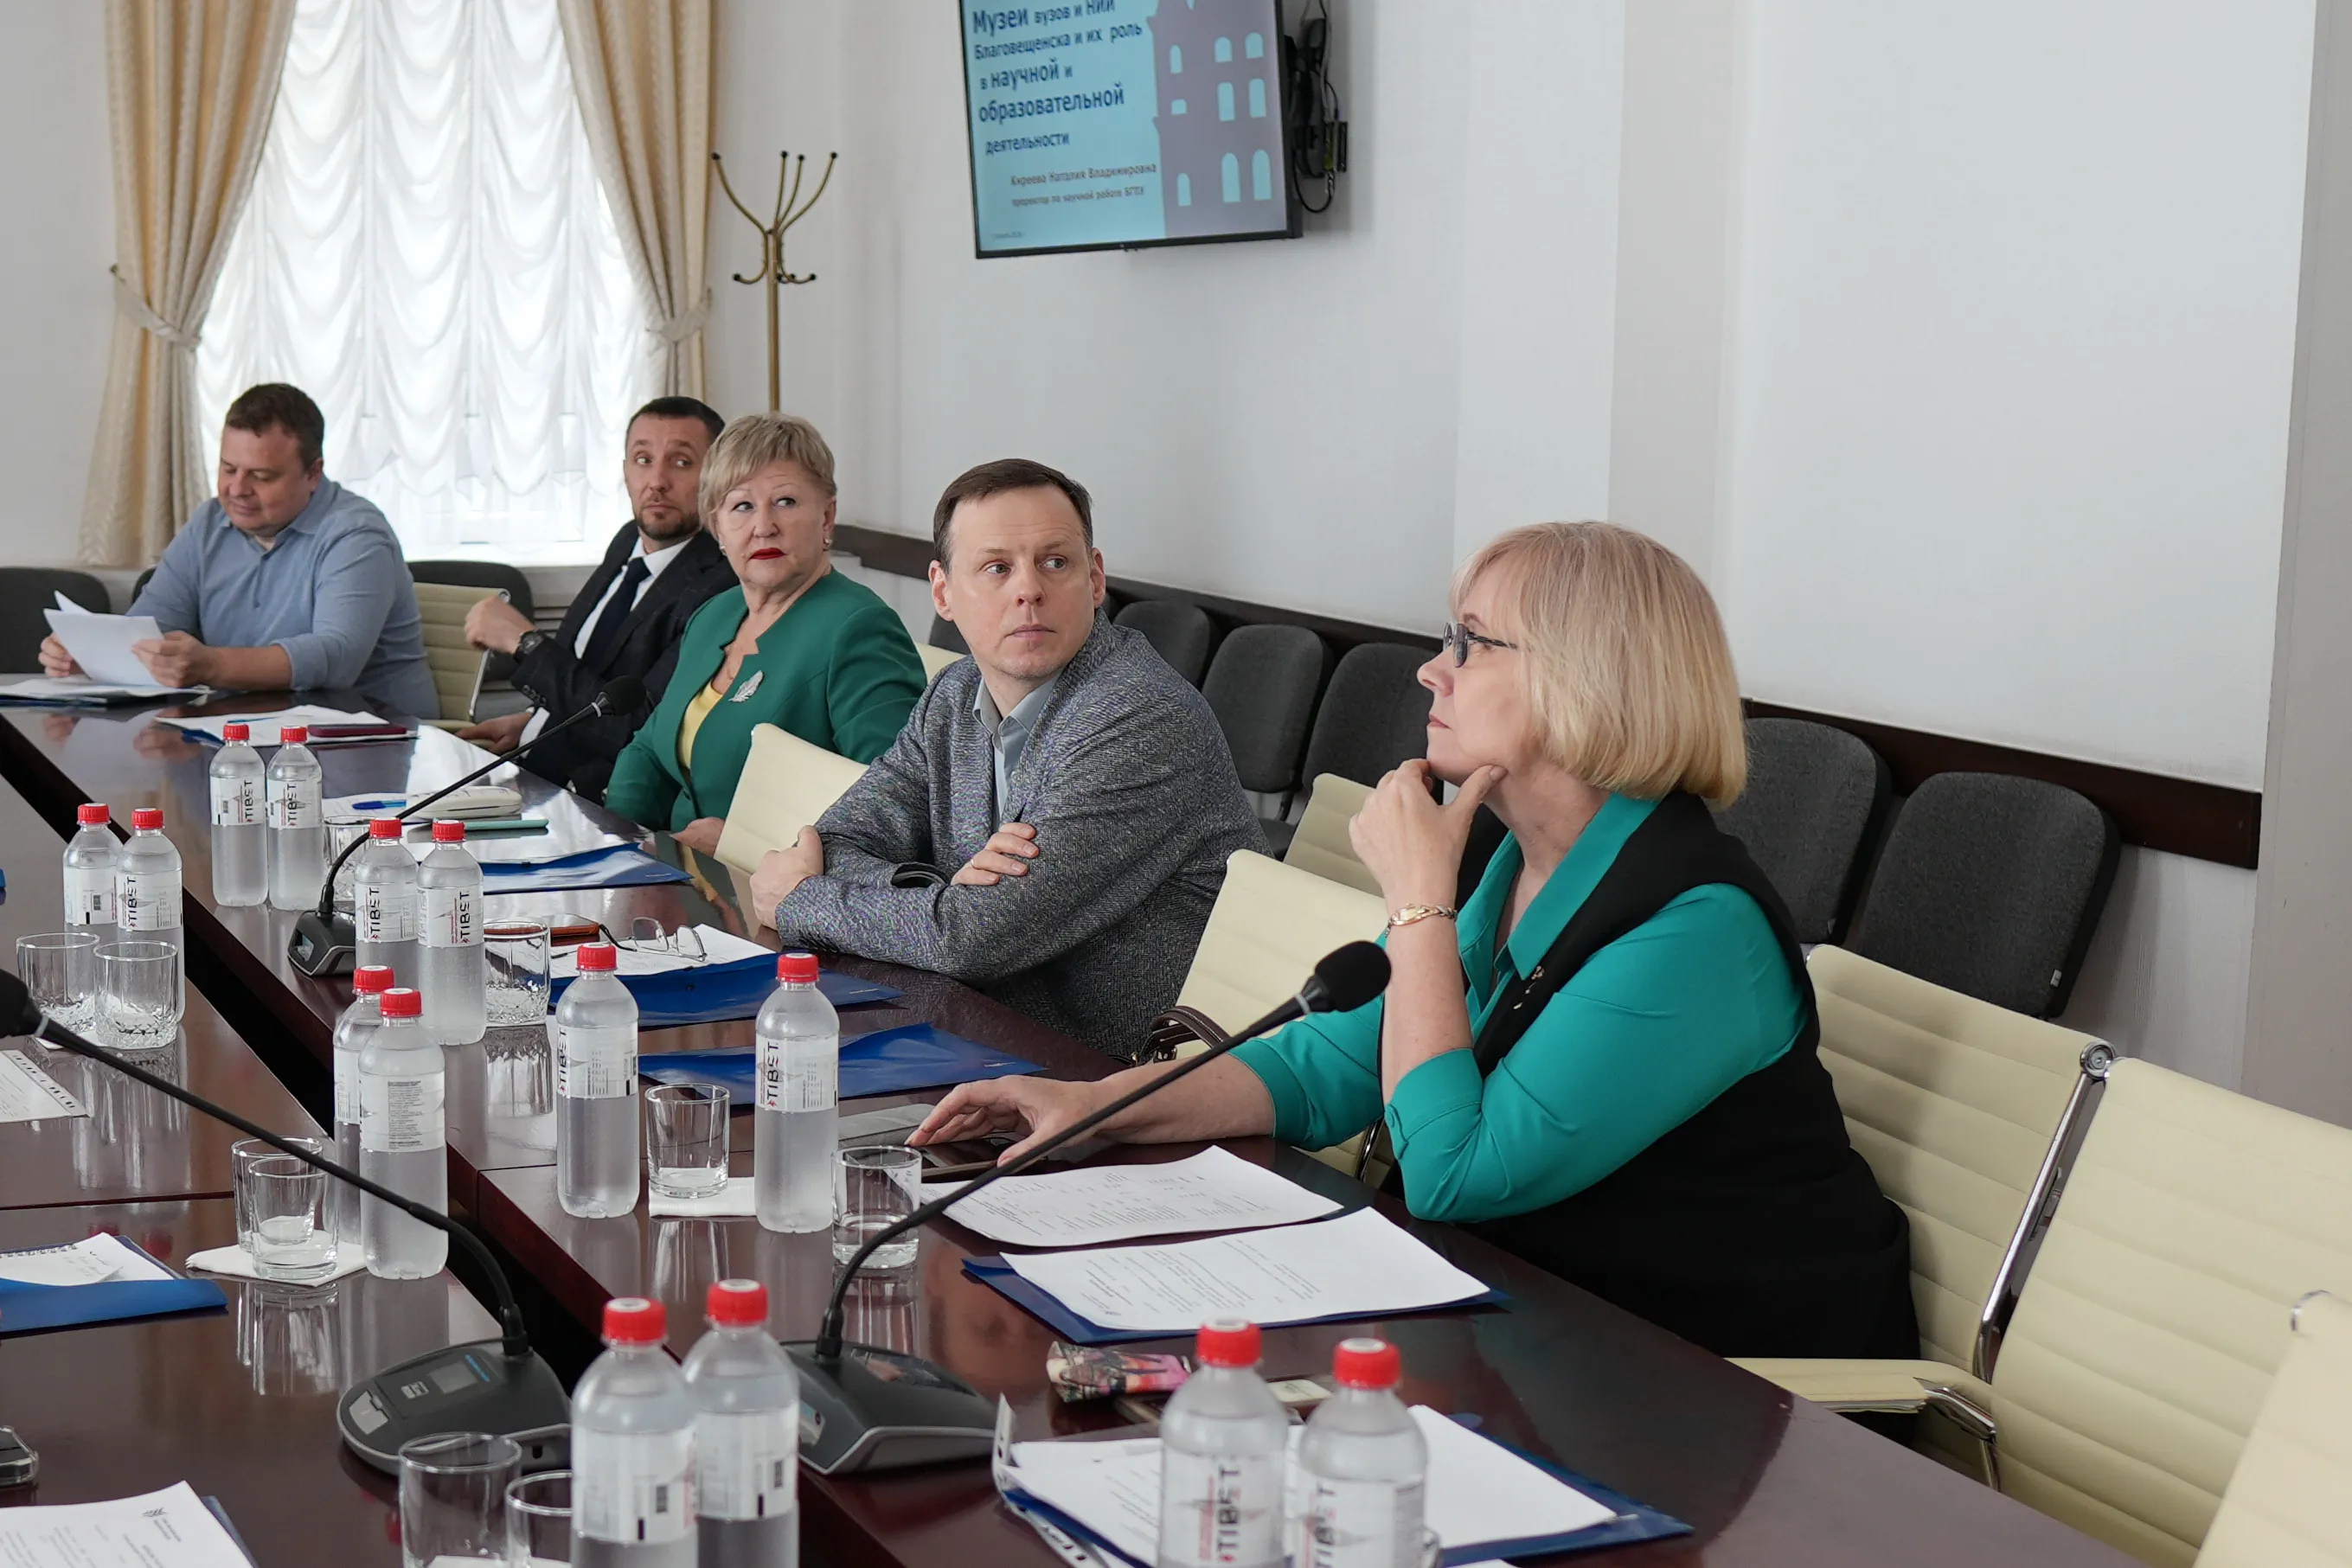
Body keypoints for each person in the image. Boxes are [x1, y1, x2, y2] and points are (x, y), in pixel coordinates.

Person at [911, 522, 1916, 1360]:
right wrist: (1098, 1105)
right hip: (1542, 1329)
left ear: (1587, 680)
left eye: (1472, 644)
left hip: (1719, 1386)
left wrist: (1418, 905)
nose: (1434, 669)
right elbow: (1329, 1064)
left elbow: (1454, 1172)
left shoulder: (1697, 928)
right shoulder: (1514, 856)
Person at [745, 458, 1265, 1061]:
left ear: (1095, 579)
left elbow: (972, 940)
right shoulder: (953, 694)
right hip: (985, 1033)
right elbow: (837, 840)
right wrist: (942, 891)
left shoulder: (1139, 718)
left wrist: (801, 899)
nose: (1029, 590)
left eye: (1055, 562)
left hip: (1118, 1072)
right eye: (996, 567)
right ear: (943, 592)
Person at [603, 413, 926, 853]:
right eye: (742, 506)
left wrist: (745, 844)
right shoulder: (714, 615)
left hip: (770, 885)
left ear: (827, 517)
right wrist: (618, 843)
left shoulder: (859, 628)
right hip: (674, 868)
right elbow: (650, 751)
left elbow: (893, 807)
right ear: (717, 526)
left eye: (786, 501)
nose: (764, 526)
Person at [41, 383, 435, 716]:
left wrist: (212, 664)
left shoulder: (357, 534)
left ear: (313, 473)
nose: (237, 489)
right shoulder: (210, 522)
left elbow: (336, 656)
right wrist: (92, 655)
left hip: (370, 737)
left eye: (261, 476)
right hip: (247, 733)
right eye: (228, 469)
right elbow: (149, 627)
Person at [457, 396, 737, 798]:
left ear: (717, 478)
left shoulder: (721, 585)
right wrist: (534, 723)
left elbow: (635, 730)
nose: (657, 480)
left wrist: (526, 644)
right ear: (625, 471)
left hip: (595, 798)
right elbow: (589, 673)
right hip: (535, 762)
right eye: (642, 459)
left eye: (681, 462)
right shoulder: (627, 539)